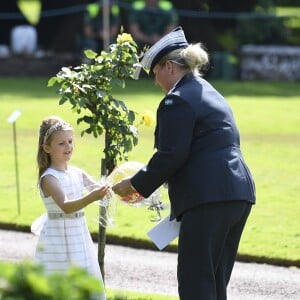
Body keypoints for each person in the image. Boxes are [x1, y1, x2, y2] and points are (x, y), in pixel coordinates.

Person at [112, 27, 256, 300]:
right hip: (237, 193)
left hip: (208, 197)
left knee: (195, 285)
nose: (156, 81)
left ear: (169, 67)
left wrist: (135, 184)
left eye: (155, 73)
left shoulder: (176, 100)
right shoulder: (209, 91)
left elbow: (172, 154)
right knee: (214, 283)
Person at [34, 116, 109, 300]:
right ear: (47, 148)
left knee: (84, 283)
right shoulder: (49, 178)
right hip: (57, 239)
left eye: (70, 141)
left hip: (79, 237)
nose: (68, 147)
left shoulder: (77, 173)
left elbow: (101, 188)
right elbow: (66, 206)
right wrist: (93, 196)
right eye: (61, 143)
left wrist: (116, 184)